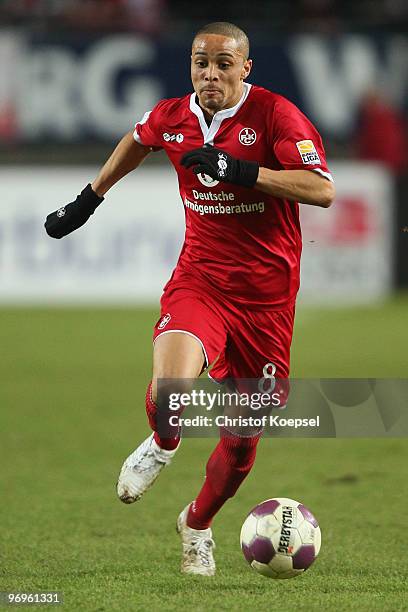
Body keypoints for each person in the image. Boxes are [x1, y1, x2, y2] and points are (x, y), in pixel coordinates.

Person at [44, 21, 335, 576]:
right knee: (172, 390)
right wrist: (89, 199)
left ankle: (197, 524)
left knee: (244, 439)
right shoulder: (173, 116)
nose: (211, 74)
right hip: (200, 280)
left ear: (245, 69)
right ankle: (162, 444)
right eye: (201, 62)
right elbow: (137, 140)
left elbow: (321, 188)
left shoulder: (276, 116)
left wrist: (242, 171)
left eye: (224, 64)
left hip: (266, 302)